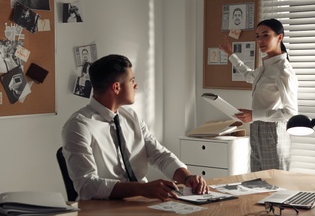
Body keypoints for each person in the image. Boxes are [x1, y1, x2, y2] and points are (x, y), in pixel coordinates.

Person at [62, 54, 208, 201]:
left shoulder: (131, 117)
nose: (136, 85)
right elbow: (87, 186)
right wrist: (141, 188)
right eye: (132, 80)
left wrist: (187, 177)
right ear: (116, 87)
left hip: (140, 202)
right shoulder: (79, 126)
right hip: (103, 207)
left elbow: (160, 155)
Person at [219, 18, 298, 172]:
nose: (260, 40)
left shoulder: (284, 71)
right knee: (257, 181)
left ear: (279, 37)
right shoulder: (266, 67)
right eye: (257, 36)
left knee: (274, 182)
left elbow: (291, 113)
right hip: (258, 128)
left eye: (265, 35)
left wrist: (254, 115)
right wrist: (230, 54)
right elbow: (249, 76)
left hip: (273, 130)